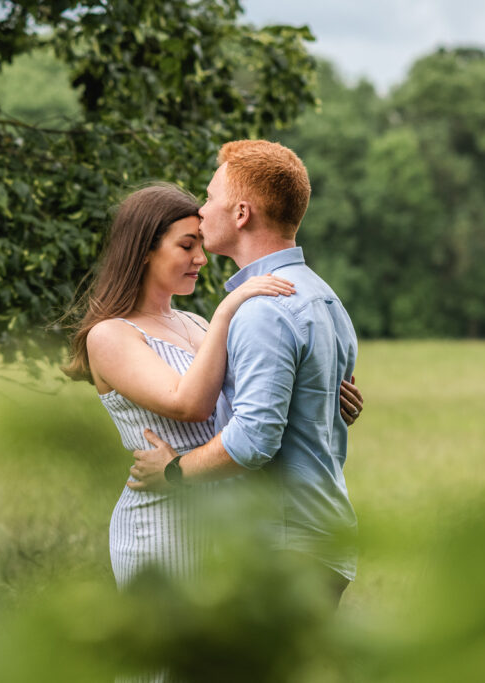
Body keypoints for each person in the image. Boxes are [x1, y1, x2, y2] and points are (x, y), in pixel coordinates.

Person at [62, 183, 363, 590]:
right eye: (187, 246)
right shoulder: (111, 335)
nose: (201, 258)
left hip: (226, 523)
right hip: (163, 518)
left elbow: (255, 403)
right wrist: (228, 309)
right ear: (144, 249)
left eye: (201, 244)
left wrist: (325, 397)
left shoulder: (195, 324)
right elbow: (189, 404)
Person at [128, 140, 360, 606]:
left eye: (210, 196)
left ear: (240, 214)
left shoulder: (263, 311)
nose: (201, 207)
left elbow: (254, 440)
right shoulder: (324, 297)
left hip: (283, 545)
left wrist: (172, 471)